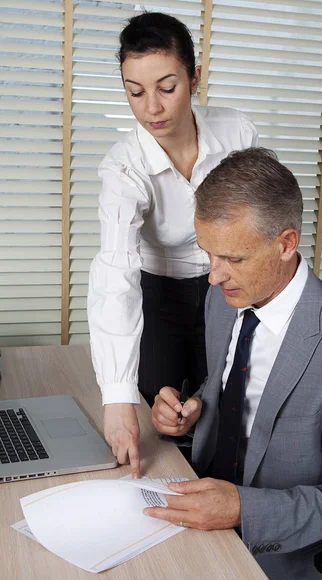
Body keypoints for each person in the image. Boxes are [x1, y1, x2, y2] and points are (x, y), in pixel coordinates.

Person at [147, 147, 322, 580]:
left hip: (289, 555)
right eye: (208, 254)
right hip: (199, 516)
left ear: (286, 243)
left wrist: (244, 508)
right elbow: (228, 385)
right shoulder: (225, 301)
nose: (213, 276)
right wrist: (192, 410)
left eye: (233, 258)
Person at [87, 13, 258, 478]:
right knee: (165, 420)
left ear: (194, 78)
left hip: (222, 286)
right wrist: (117, 397)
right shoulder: (123, 168)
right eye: (135, 91)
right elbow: (115, 274)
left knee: (226, 410)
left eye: (167, 87)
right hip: (155, 294)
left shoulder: (237, 134)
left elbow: (260, 222)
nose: (151, 109)